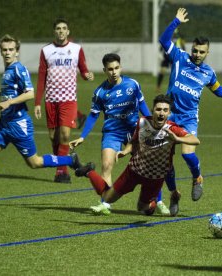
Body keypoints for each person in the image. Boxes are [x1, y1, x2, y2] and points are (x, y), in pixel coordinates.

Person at [0, 34, 83, 207]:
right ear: (1, 52)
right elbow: (13, 89)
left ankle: (70, 160)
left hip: (19, 125)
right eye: (4, 50)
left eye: (11, 49)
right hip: (4, 124)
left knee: (35, 162)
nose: (8, 53)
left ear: (17, 52)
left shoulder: (18, 68)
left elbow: (30, 93)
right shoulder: (8, 70)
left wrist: (9, 102)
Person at [159, 8, 222, 216]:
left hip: (189, 118)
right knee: (164, 163)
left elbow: (219, 91)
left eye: (202, 52)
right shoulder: (179, 57)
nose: (197, 54)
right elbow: (163, 40)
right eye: (195, 50)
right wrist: (175, 22)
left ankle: (197, 177)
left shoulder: (208, 73)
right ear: (191, 49)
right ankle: (174, 194)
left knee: (187, 153)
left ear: (207, 53)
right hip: (169, 116)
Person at [69, 53, 170, 216]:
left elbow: (142, 105)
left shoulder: (132, 84)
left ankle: (157, 201)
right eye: (110, 69)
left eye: (116, 68)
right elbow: (94, 115)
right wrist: (83, 136)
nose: (114, 72)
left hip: (134, 129)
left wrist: (151, 124)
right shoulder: (100, 92)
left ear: (120, 67)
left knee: (150, 166)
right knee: (107, 166)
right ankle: (105, 204)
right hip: (112, 132)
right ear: (105, 70)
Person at [74, 94, 200, 215]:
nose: (161, 113)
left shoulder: (172, 129)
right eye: (158, 109)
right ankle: (89, 171)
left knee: (141, 207)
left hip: (155, 177)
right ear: (152, 111)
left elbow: (195, 140)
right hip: (134, 171)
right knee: (107, 198)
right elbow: (134, 141)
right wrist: (125, 151)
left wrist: (178, 139)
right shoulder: (142, 122)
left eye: (165, 110)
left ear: (169, 113)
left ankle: (154, 204)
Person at [35, 17, 94, 183]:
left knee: (65, 136)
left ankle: (62, 172)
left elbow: (83, 70)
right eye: (58, 28)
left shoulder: (76, 49)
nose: (61, 31)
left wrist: (87, 75)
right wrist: (37, 102)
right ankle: (62, 165)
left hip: (69, 100)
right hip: (51, 100)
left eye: (64, 28)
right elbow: (41, 77)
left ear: (68, 31)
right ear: (54, 31)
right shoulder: (46, 50)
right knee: (53, 137)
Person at [156, 29, 185, 93]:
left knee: (176, 73)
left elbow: (183, 48)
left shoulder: (180, 40)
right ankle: (158, 86)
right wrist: (160, 54)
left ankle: (177, 87)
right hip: (166, 57)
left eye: (175, 33)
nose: (173, 35)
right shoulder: (167, 38)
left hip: (175, 57)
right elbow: (162, 46)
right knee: (162, 71)